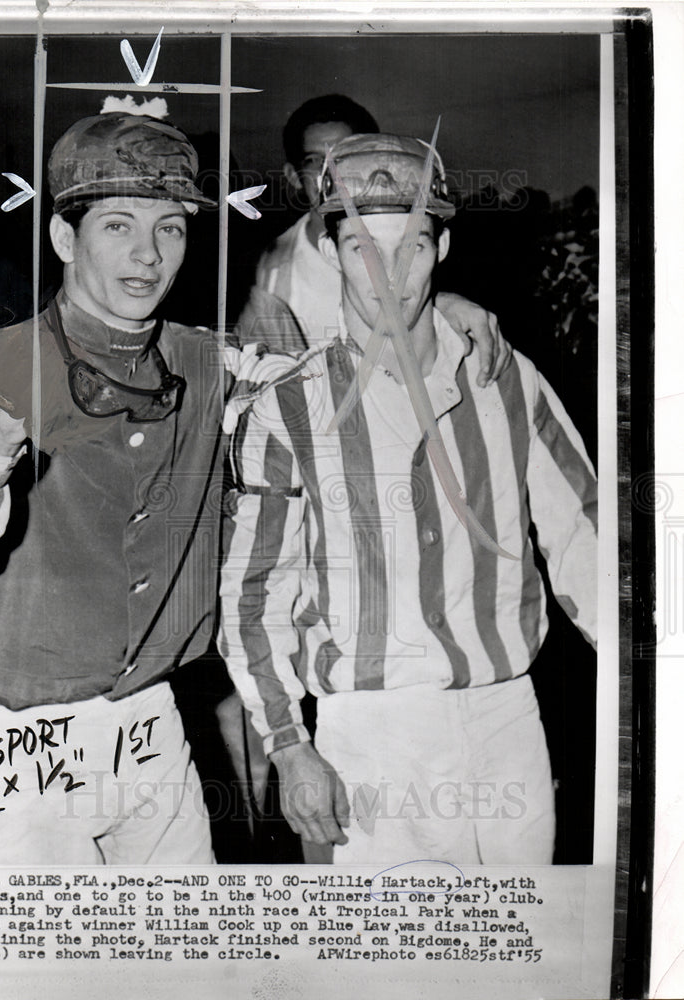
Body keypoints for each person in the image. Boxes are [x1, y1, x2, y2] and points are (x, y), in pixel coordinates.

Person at [0, 111, 263, 865]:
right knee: (36, 978)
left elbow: (346, 368)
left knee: (189, 971)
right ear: (65, 239)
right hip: (20, 740)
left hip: (152, 724)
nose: (147, 254)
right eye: (118, 225)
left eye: (170, 229)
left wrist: (447, 313)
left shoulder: (213, 363)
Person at [219, 132, 597, 864]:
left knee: (521, 959)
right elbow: (253, 595)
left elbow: (583, 539)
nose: (389, 272)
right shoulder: (285, 407)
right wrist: (289, 746)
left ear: (443, 248)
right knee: (388, 972)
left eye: (414, 245)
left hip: (506, 716)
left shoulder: (505, 378)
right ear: (328, 252)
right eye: (362, 247)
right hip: (370, 732)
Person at [236, 93, 506, 383]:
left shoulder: (428, 236)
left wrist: (439, 305)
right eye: (315, 160)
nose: (333, 172)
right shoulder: (270, 272)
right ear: (292, 175)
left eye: (345, 156)